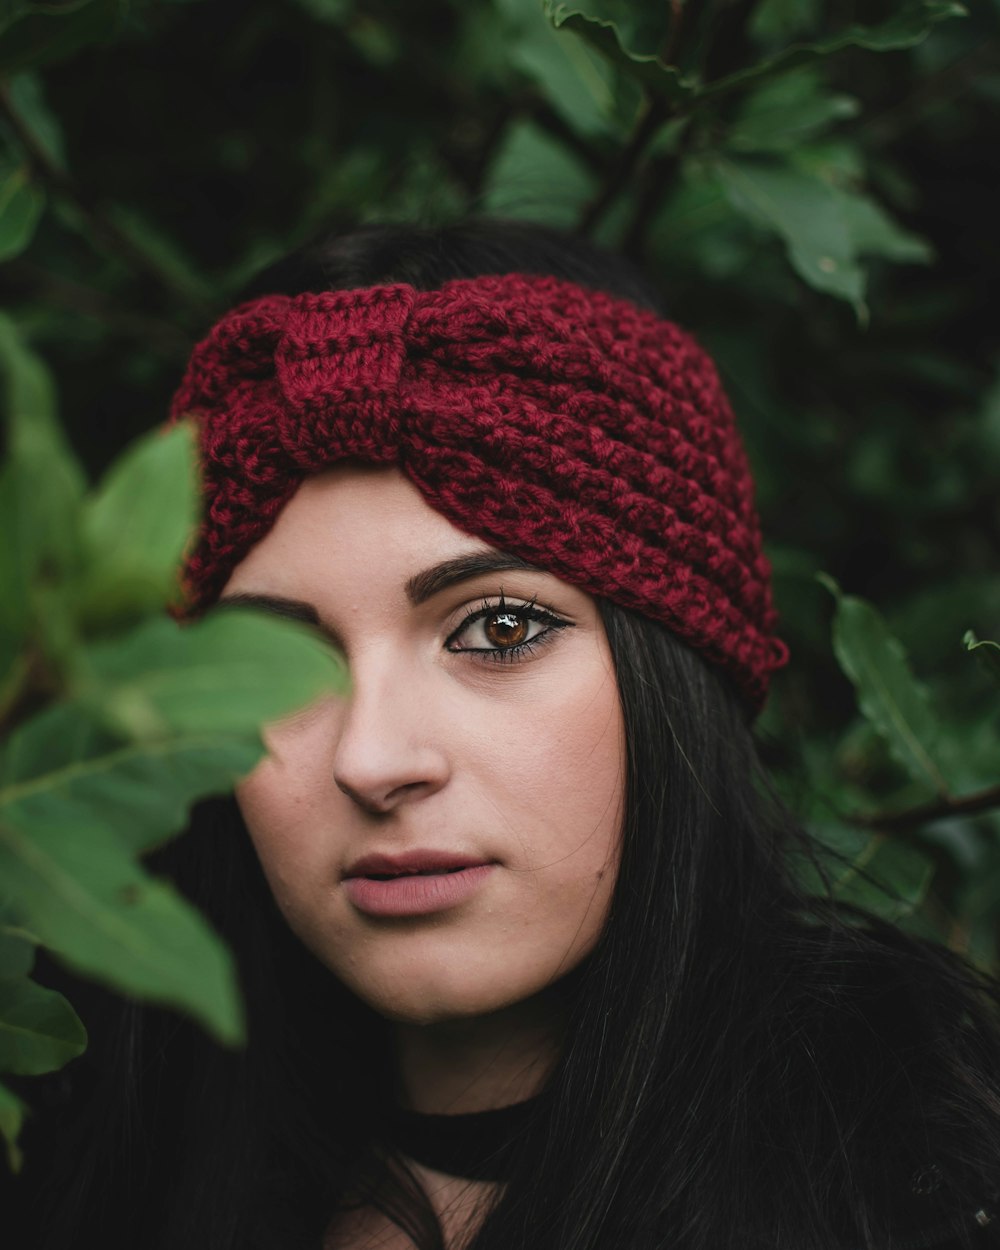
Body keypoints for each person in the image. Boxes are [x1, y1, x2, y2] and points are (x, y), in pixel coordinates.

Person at [13, 219, 1000, 1250]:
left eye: (498, 627)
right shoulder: (80, 1150)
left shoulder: (911, 1190)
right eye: (275, 664)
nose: (374, 758)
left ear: (674, 671)